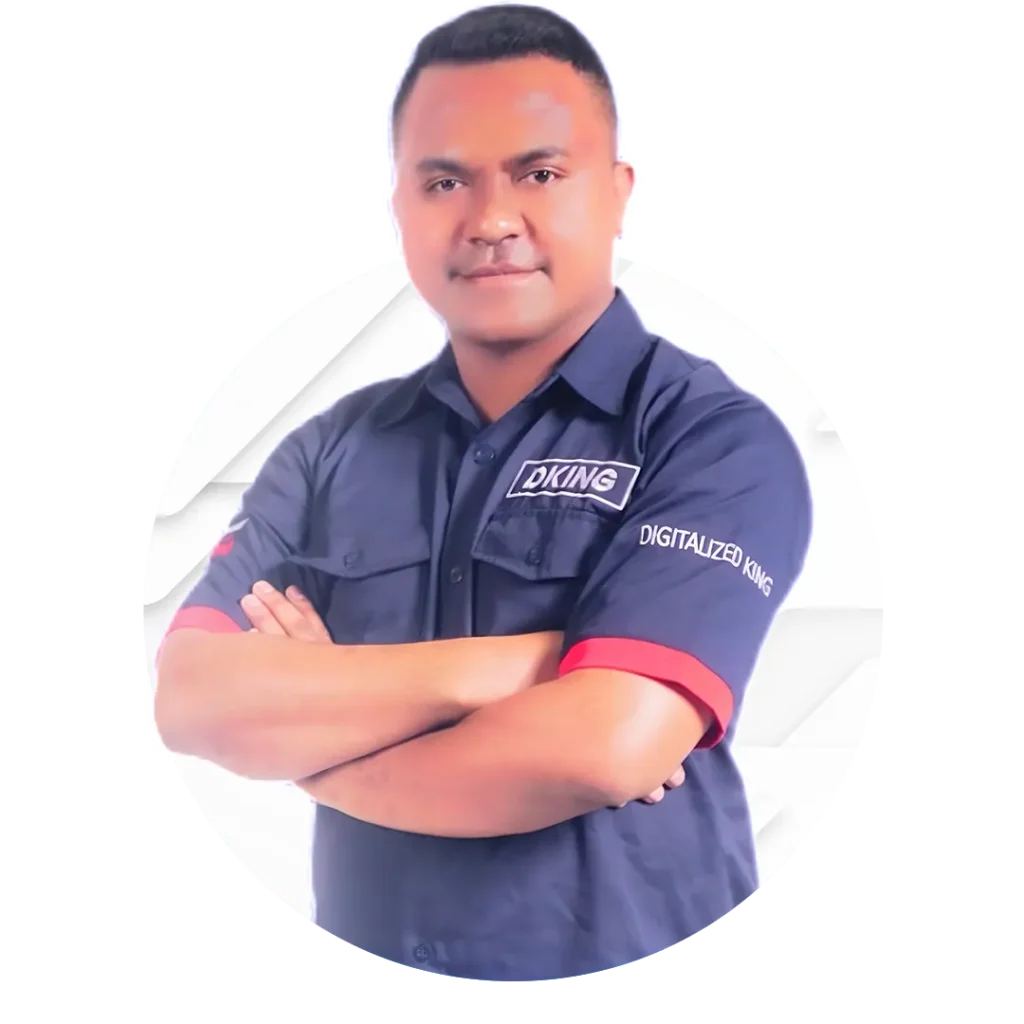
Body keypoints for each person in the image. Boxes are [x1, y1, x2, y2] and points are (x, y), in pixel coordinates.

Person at [152, 1, 812, 982]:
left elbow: (606, 747)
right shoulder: (328, 451)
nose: (492, 220)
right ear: (397, 205)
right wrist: (514, 667)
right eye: (444, 181)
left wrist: (313, 753)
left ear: (621, 192)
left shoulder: (711, 440)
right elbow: (191, 699)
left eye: (539, 173)